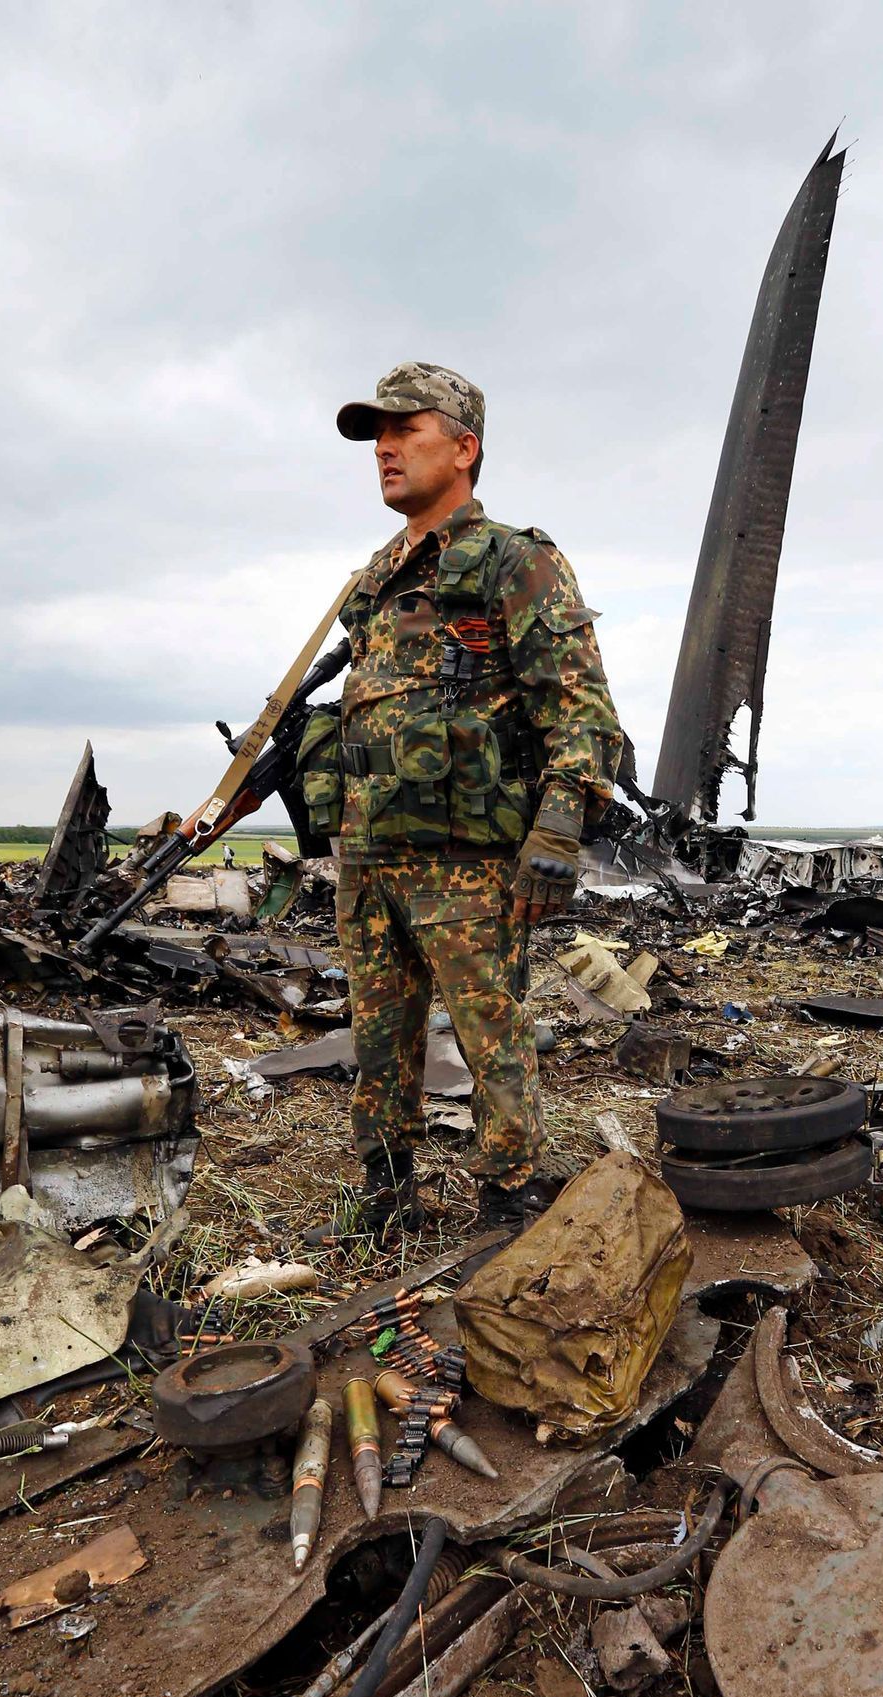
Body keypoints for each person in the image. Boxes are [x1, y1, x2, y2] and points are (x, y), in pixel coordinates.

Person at [320, 361, 623, 1236]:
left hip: (466, 856)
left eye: (404, 431)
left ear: (463, 448)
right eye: (376, 435)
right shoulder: (376, 576)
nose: (383, 448)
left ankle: (510, 1193)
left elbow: (579, 708)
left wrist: (557, 832)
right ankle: (384, 1192)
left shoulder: (514, 560)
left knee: (492, 1032)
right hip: (371, 846)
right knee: (377, 1035)